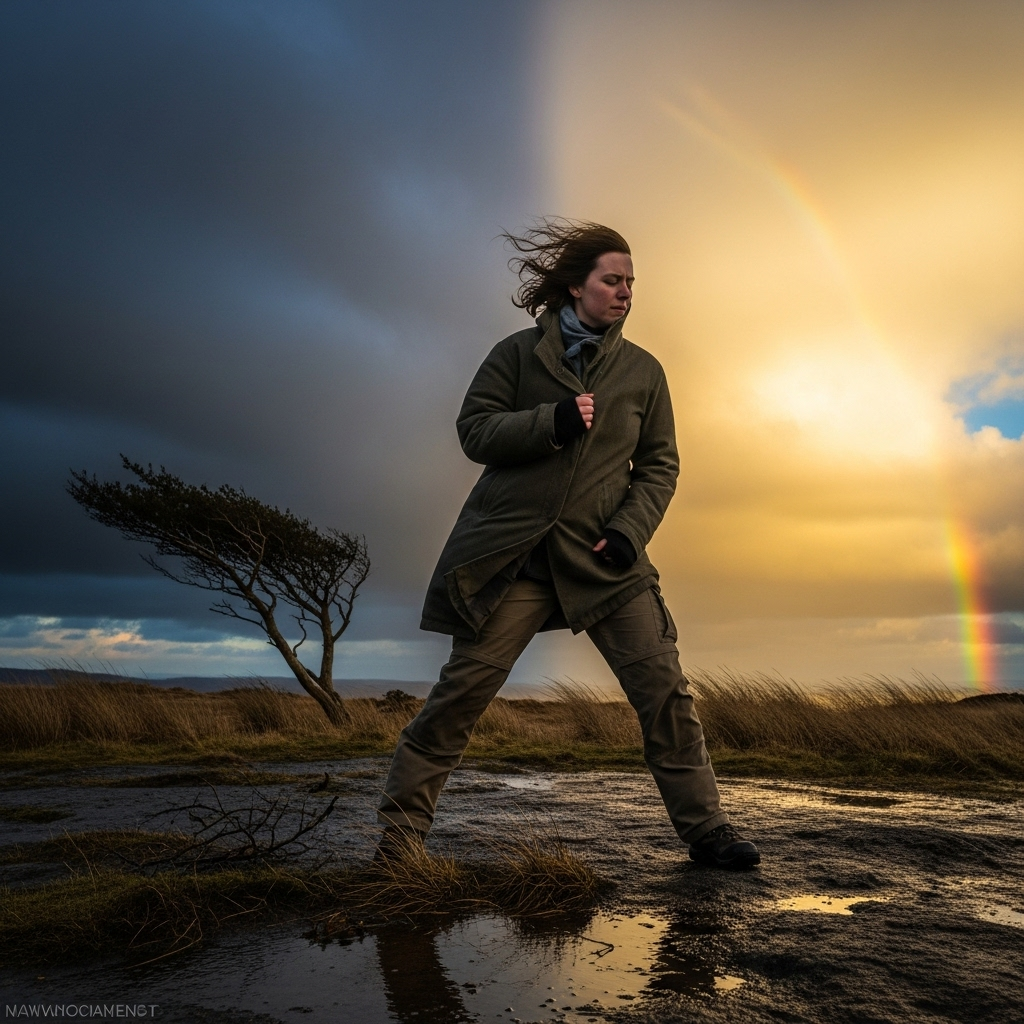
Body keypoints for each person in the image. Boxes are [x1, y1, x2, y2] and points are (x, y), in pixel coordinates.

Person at [377, 219, 759, 869]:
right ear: (576, 286)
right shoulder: (515, 355)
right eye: (613, 280)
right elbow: (475, 431)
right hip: (514, 560)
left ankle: (708, 831)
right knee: (460, 695)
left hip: (606, 561)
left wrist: (628, 533)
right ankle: (399, 838)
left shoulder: (643, 372)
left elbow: (660, 466)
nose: (626, 292)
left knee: (665, 692)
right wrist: (549, 422)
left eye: (632, 282)